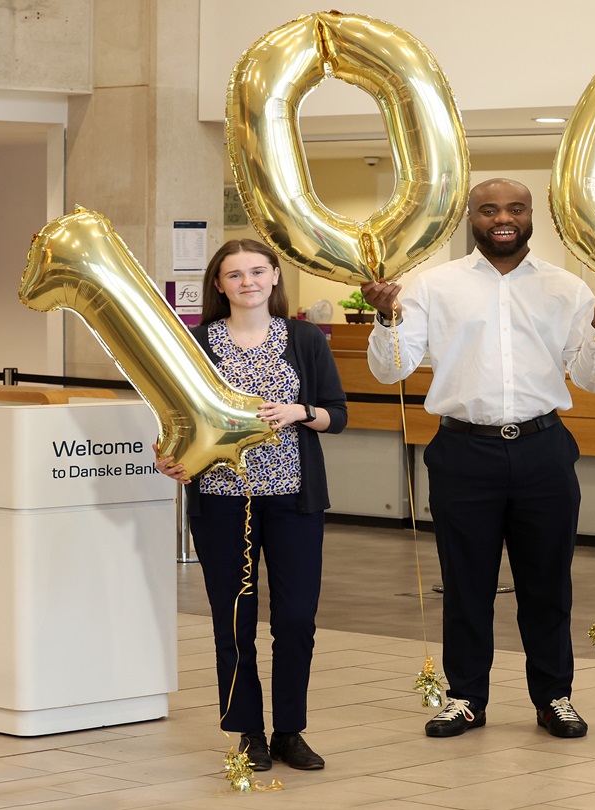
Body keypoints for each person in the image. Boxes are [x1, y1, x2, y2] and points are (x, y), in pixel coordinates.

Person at [361, 178, 595, 739]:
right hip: (464, 451)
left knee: (547, 585)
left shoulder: (567, 288)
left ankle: (553, 696)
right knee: (466, 585)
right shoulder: (433, 286)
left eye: (514, 208)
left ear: (531, 215)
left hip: (544, 450)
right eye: (489, 210)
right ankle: (465, 697)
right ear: (472, 218)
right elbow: (390, 369)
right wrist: (387, 317)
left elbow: (592, 378)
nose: (502, 218)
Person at [155, 239, 347, 772]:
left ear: (275, 276)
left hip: (294, 500)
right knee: (233, 620)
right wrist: (170, 460)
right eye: (234, 274)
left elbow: (337, 414)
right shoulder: (194, 344)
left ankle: (290, 731)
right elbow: (176, 423)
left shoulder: (305, 338)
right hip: (221, 500)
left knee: (296, 619)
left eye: (257, 271)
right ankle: (248, 733)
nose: (248, 282)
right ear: (218, 284)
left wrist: (299, 410)